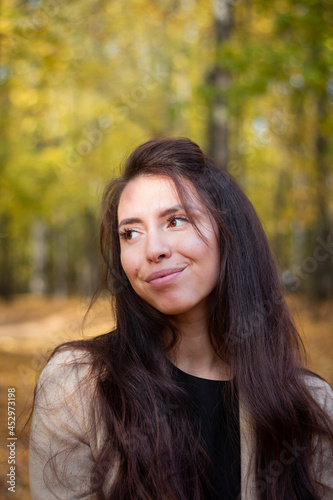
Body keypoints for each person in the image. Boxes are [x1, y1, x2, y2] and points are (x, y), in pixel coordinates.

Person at [29, 137, 333, 500]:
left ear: (229, 232)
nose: (153, 249)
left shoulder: (311, 405)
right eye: (131, 233)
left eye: (175, 220)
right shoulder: (76, 385)